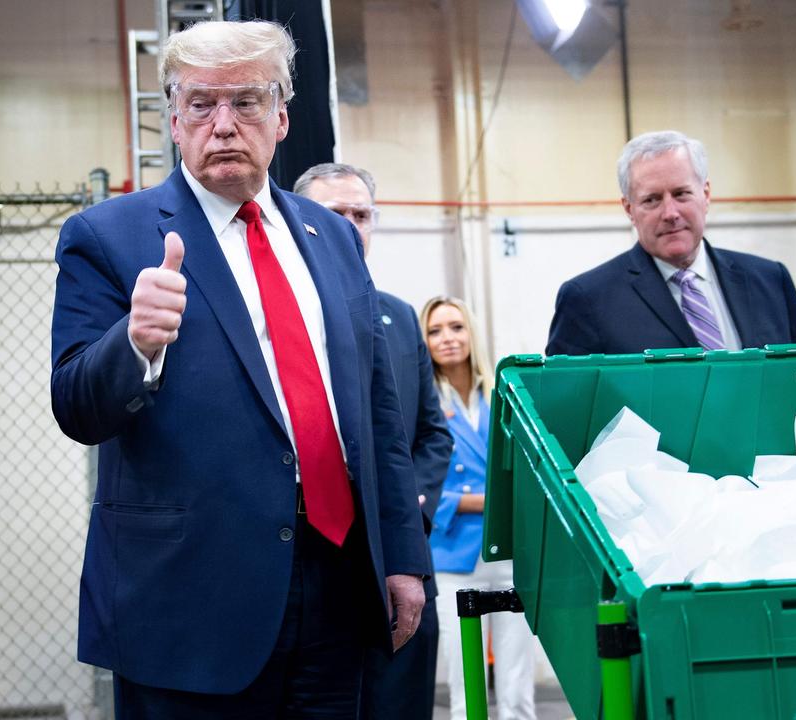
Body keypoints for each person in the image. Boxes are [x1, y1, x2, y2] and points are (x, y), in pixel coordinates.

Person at [49, 20, 429, 719]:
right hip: (189, 603)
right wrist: (133, 341)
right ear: (172, 118)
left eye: (246, 102)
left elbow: (377, 416)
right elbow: (76, 404)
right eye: (201, 104)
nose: (223, 124)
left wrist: (403, 557)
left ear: (282, 116)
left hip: (338, 582)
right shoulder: (107, 235)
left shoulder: (333, 238)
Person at [294, 162, 452, 720]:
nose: (350, 227)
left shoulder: (400, 317)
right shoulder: (277, 317)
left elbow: (431, 433)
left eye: (361, 215)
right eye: (334, 215)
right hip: (310, 559)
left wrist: (414, 504)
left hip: (398, 554)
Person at [546, 130, 796, 356]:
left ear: (705, 195)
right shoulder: (587, 301)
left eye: (681, 194)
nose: (670, 213)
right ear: (629, 208)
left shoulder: (770, 281)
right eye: (652, 199)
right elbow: (564, 409)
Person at [422, 296, 535, 720]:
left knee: (517, 686)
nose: (447, 338)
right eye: (435, 331)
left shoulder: (505, 395)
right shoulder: (421, 401)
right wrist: (478, 501)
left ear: (472, 333)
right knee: (466, 687)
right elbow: (414, 482)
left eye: (456, 327)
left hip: (508, 552)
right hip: (453, 556)